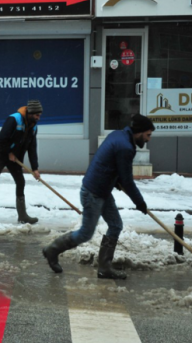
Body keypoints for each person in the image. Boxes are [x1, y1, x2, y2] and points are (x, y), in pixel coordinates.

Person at [42, 114, 155, 280]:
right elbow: (128, 181)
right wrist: (140, 203)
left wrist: (114, 180)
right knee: (85, 234)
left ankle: (105, 267)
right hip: (93, 193)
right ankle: (52, 250)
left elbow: (109, 163)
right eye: (148, 135)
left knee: (115, 225)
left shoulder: (118, 135)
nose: (148, 139)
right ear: (139, 132)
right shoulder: (125, 147)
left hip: (101, 189)